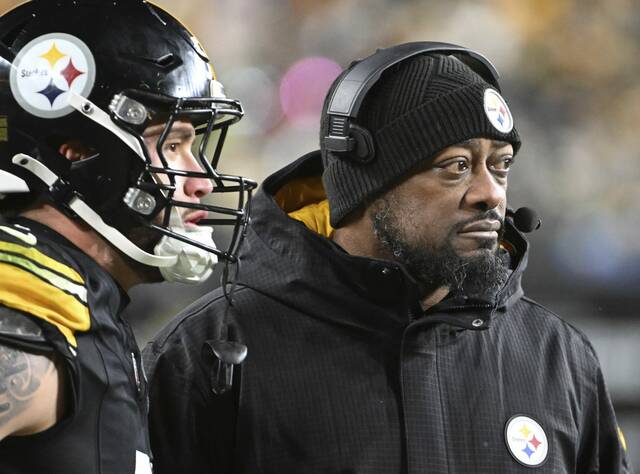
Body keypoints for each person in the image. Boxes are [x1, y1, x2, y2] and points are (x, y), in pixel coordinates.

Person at [143, 43, 631, 473]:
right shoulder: (205, 353)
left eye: (499, 165)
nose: (490, 194)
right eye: (456, 166)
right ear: (368, 188)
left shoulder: (559, 358)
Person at [0, 1, 254, 473]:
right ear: (78, 154)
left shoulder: (91, 306)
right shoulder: (27, 315)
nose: (203, 180)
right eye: (173, 144)